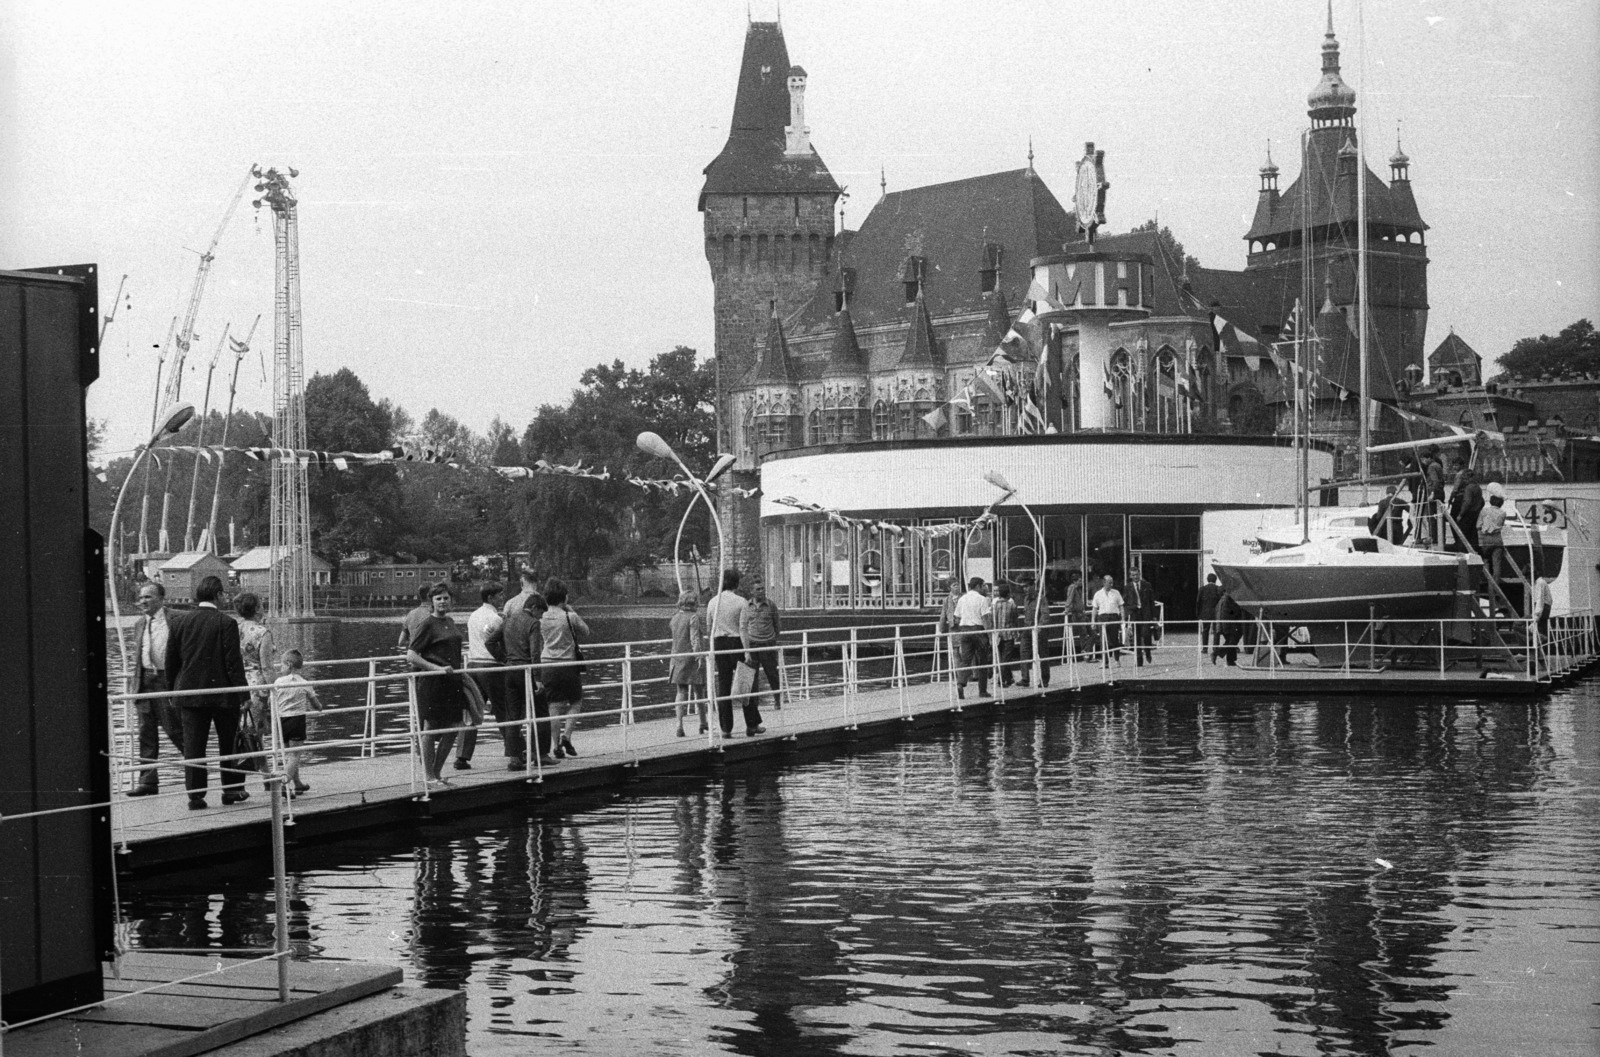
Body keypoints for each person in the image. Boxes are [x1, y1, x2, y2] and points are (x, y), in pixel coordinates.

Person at [165, 574, 249, 809]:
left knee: (193, 746)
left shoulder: (179, 622)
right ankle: (232, 790)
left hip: (189, 694)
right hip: (223, 694)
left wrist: (171, 692)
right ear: (219, 595)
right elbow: (234, 663)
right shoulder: (226, 623)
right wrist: (245, 695)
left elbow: (171, 660)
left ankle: (196, 795)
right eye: (224, 594)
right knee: (228, 743)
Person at [406, 582, 478, 788]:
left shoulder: (450, 621)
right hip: (433, 683)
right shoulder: (427, 624)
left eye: (446, 598)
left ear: (451, 600)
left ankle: (436, 772)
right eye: (439, 598)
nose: (443, 601)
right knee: (430, 727)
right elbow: (411, 655)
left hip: (452, 682)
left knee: (454, 727)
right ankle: (428, 775)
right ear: (432, 602)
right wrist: (435, 668)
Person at [125, 582, 184, 796]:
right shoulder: (139, 623)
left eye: (148, 597)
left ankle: (197, 772)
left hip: (166, 680)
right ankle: (147, 782)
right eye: (141, 598)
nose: (143, 601)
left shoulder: (176, 618)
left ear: (161, 598)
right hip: (144, 683)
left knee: (175, 729)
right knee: (145, 733)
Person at [708, 569, 763, 736]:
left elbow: (709, 627)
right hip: (736, 642)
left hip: (719, 643)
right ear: (736, 583)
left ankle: (726, 728)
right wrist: (747, 652)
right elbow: (743, 628)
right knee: (745, 683)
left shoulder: (713, 602)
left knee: (724, 685)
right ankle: (751, 725)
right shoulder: (741, 602)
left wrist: (711, 648)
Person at [539, 578, 590, 757]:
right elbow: (586, 631)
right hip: (568, 665)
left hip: (547, 665)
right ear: (564, 597)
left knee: (553, 706)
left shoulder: (541, 617)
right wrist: (571, 610)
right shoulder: (569, 616)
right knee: (576, 701)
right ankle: (566, 736)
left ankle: (555, 746)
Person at [501, 588, 551, 768]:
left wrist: (504, 658)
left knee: (513, 715)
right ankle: (540, 754)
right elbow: (535, 652)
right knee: (541, 712)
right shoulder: (532, 623)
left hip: (510, 671)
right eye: (541, 613)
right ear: (535, 608)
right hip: (527, 671)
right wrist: (538, 678)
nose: (541, 617)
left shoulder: (508, 620)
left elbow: (490, 641)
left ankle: (514, 758)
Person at [461, 581, 506, 770]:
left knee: (472, 711)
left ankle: (462, 756)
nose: (502, 598)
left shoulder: (473, 616)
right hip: (490, 666)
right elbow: (491, 638)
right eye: (499, 595)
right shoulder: (495, 618)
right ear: (490, 597)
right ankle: (514, 750)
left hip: (472, 664)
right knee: (504, 709)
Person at [270, 648, 324, 795]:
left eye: (281, 665)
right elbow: (315, 704)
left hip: (281, 721)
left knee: (289, 755)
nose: (280, 668)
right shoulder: (304, 683)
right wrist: (319, 707)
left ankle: (297, 783)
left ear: (288, 665)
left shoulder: (278, 682)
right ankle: (282, 782)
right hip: (297, 721)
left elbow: (272, 702)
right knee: (295, 755)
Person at [740, 576, 784, 713]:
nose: (761, 591)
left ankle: (777, 699)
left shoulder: (770, 605)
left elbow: (777, 625)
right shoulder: (747, 606)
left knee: (772, 673)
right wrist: (746, 648)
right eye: (758, 589)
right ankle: (754, 703)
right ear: (752, 592)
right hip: (753, 644)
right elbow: (743, 627)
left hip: (767, 643)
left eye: (762, 589)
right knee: (752, 676)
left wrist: (772, 639)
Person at [669, 590, 708, 737]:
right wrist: (699, 656)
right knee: (699, 690)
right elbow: (694, 639)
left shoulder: (675, 618)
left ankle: (679, 725)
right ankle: (703, 722)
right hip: (691, 659)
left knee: (681, 691)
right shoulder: (693, 617)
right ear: (694, 603)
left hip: (677, 657)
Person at [234, 592, 274, 724]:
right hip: (256, 684)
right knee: (255, 730)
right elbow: (267, 666)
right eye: (261, 605)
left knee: (239, 729)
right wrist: (274, 689)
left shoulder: (234, 628)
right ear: (256, 609)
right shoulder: (263, 633)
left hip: (236, 682)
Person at [951, 576, 992, 699]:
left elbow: (957, 617)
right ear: (978, 586)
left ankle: (961, 683)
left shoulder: (962, 599)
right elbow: (985, 619)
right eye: (983, 585)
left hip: (965, 631)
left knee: (966, 659)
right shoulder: (982, 599)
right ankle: (982, 690)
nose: (985, 588)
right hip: (978, 630)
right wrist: (990, 634)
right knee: (982, 660)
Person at [1090, 574, 1125, 667]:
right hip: (1102, 617)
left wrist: (1123, 619)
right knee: (1103, 640)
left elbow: (1121, 606)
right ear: (1104, 582)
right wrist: (1093, 621)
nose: (1111, 584)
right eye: (1109, 582)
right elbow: (1094, 608)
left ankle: (1117, 659)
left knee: (1114, 640)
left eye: (1112, 582)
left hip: (1114, 616)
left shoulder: (1116, 593)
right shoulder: (1098, 594)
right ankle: (1105, 662)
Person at [1449, 465, 1484, 553]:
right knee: (1473, 534)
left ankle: (1462, 551)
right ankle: (1475, 552)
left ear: (1468, 478)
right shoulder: (1478, 487)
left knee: (1462, 533)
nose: (1464, 481)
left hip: (1468, 514)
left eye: (1465, 479)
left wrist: (1460, 514)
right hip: (1475, 514)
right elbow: (1482, 502)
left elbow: (1467, 503)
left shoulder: (1469, 488)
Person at [1125, 566, 1155, 666]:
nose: (1135, 577)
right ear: (1130, 576)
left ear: (1139, 574)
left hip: (1145, 613)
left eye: (1137, 575)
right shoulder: (1127, 587)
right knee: (1136, 636)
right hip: (1135, 614)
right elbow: (1125, 601)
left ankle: (1148, 652)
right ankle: (1139, 660)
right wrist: (1129, 612)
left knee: (1146, 634)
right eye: (1133, 575)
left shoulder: (1147, 585)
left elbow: (1151, 601)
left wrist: (1154, 616)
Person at [991, 584, 1020, 686]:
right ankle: (1002, 680)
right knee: (1006, 658)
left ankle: (1008, 678)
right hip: (1009, 634)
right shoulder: (1012, 605)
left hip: (998, 635)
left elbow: (992, 620)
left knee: (1001, 657)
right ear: (1008, 594)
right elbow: (1015, 619)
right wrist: (1017, 632)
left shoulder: (994, 606)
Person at [1477, 493, 1507, 583]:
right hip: (1498, 538)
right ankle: (1495, 584)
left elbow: (1478, 525)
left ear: (1491, 501)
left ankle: (1487, 579)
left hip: (1486, 539)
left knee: (1485, 559)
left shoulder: (1484, 511)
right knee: (1496, 563)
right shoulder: (1503, 513)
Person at [396, 583, 434, 651]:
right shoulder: (434, 613)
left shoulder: (411, 614)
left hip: (415, 656)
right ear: (429, 595)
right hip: (433, 657)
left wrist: (415, 643)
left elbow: (401, 642)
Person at [1214, 591, 1245, 666]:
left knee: (1231, 640)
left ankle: (1231, 660)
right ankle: (1216, 653)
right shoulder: (1229, 598)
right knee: (1232, 640)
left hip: (1225, 624)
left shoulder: (1223, 599)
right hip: (1229, 624)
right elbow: (1232, 611)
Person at [1196, 573, 1223, 657]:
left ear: (1207, 580)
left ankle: (1205, 648)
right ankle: (1215, 648)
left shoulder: (1202, 589)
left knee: (1205, 630)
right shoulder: (1218, 589)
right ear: (1215, 580)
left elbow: (1198, 602)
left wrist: (1198, 614)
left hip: (1205, 613)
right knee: (1216, 631)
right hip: (1216, 613)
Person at [1064, 569, 1088, 661]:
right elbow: (1069, 599)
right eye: (1079, 580)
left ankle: (1085, 651)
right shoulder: (1073, 588)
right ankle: (1084, 652)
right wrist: (1067, 608)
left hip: (1081, 613)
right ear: (1075, 581)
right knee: (1083, 633)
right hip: (1077, 614)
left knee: (1085, 633)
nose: (1081, 582)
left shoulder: (1076, 589)